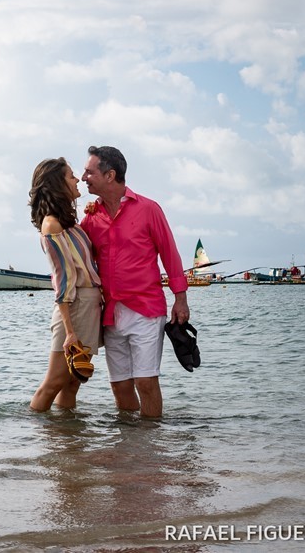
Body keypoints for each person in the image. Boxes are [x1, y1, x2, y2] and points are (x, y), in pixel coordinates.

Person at [80, 145, 190, 418]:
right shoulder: (92, 217)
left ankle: (150, 445)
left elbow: (170, 253)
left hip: (146, 309)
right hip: (111, 313)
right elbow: (77, 250)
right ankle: (130, 449)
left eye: (89, 172)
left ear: (110, 175)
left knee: (145, 381)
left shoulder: (149, 209)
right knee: (119, 386)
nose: (84, 177)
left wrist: (180, 298)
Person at [28, 157, 102, 412]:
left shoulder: (69, 223)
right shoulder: (52, 224)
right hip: (75, 305)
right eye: (71, 175)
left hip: (88, 304)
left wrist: (95, 213)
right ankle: (36, 437)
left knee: (73, 383)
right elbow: (63, 279)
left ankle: (65, 442)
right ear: (58, 184)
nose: (78, 179)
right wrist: (69, 331)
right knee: (53, 383)